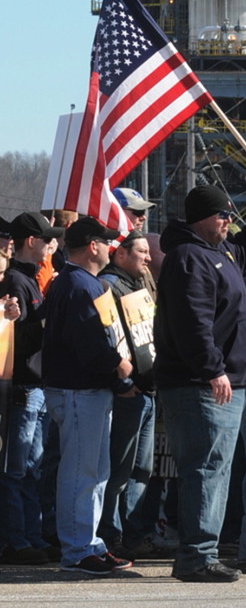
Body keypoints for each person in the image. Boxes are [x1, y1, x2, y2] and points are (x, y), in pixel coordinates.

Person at [154, 182, 246, 582]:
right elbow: (192, 322)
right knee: (206, 467)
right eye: (222, 215)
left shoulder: (218, 252)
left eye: (230, 214)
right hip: (201, 383)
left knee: (213, 467)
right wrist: (212, 369)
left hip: (221, 382)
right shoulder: (188, 258)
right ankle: (197, 556)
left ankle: (201, 552)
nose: (229, 221)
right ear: (201, 218)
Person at [43, 217, 135, 575]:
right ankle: (77, 550)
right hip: (77, 390)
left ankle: (88, 543)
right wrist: (121, 367)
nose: (111, 247)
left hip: (85, 390)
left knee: (94, 471)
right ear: (92, 245)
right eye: (106, 242)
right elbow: (90, 344)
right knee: (81, 473)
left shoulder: (80, 281)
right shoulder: (80, 285)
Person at [0, 212, 64, 565]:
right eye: (46, 239)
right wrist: (43, 317)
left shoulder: (31, 280)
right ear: (30, 242)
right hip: (24, 384)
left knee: (34, 467)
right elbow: (14, 337)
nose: (51, 245)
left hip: (36, 385)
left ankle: (33, 534)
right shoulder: (15, 281)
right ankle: (17, 540)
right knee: (17, 468)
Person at [97, 232, 160, 557]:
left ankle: (134, 534)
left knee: (141, 470)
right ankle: (111, 534)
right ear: (120, 253)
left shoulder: (138, 284)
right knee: (120, 469)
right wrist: (121, 383)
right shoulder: (109, 285)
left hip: (147, 391)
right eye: (141, 252)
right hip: (128, 393)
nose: (147, 258)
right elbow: (107, 339)